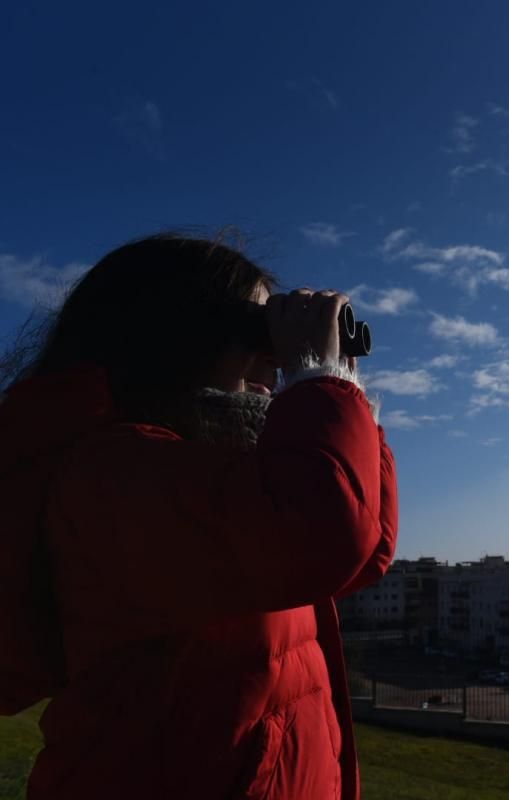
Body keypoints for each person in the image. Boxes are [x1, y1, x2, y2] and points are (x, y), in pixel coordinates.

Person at [0, 233, 398, 799]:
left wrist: (343, 384)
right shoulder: (110, 471)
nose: (273, 358)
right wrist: (318, 380)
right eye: (257, 333)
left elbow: (366, 550)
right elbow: (326, 530)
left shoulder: (222, 479)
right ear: (175, 337)